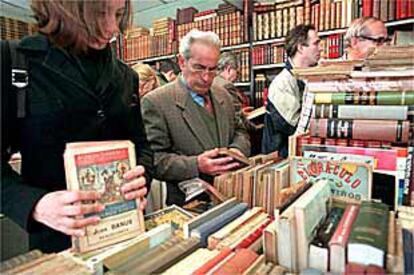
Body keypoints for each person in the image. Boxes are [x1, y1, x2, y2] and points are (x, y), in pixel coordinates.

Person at [1, 0, 153, 253]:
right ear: (64, 9)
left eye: (119, 14)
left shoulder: (127, 77)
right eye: (98, 15)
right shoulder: (13, 62)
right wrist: (36, 204)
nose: (112, 28)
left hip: (126, 232)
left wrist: (142, 176)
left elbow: (143, 146)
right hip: (59, 244)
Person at [141, 29, 250, 206]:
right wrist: (196, 164)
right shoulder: (156, 102)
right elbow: (155, 160)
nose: (206, 77)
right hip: (189, 206)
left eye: (213, 69)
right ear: (182, 62)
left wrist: (238, 150)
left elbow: (240, 130)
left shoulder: (223, 94)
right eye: (199, 68)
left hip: (232, 195)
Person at [262, 24, 321, 158]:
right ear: (300, 47)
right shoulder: (282, 83)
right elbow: (296, 128)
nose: (321, 48)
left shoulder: (310, 78)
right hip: (284, 160)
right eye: (316, 43)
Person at [212, 52, 258, 132]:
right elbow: (238, 119)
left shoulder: (212, 81)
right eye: (237, 72)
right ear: (228, 69)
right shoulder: (227, 86)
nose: (238, 76)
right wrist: (256, 128)